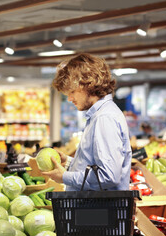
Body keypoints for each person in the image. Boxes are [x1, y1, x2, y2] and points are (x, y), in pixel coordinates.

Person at [42, 53, 132, 191]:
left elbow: (108, 176)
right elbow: (96, 167)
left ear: (87, 85)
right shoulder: (99, 115)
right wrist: (69, 163)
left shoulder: (104, 118)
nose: (70, 98)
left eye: (72, 91)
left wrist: (65, 176)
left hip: (98, 211)